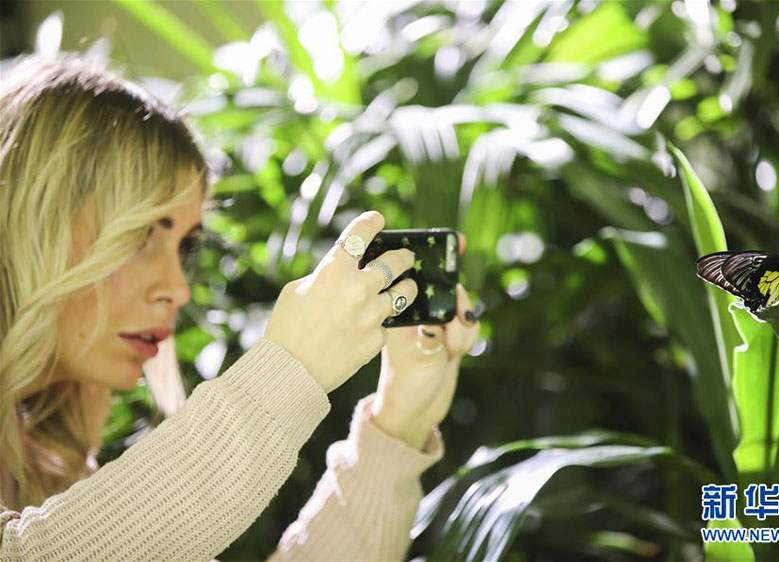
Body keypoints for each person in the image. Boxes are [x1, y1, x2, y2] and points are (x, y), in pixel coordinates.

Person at [0, 51, 480, 561]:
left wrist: (397, 424)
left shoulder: (49, 461)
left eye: (185, 246)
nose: (178, 289)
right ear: (29, 225)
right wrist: (286, 374)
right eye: (142, 235)